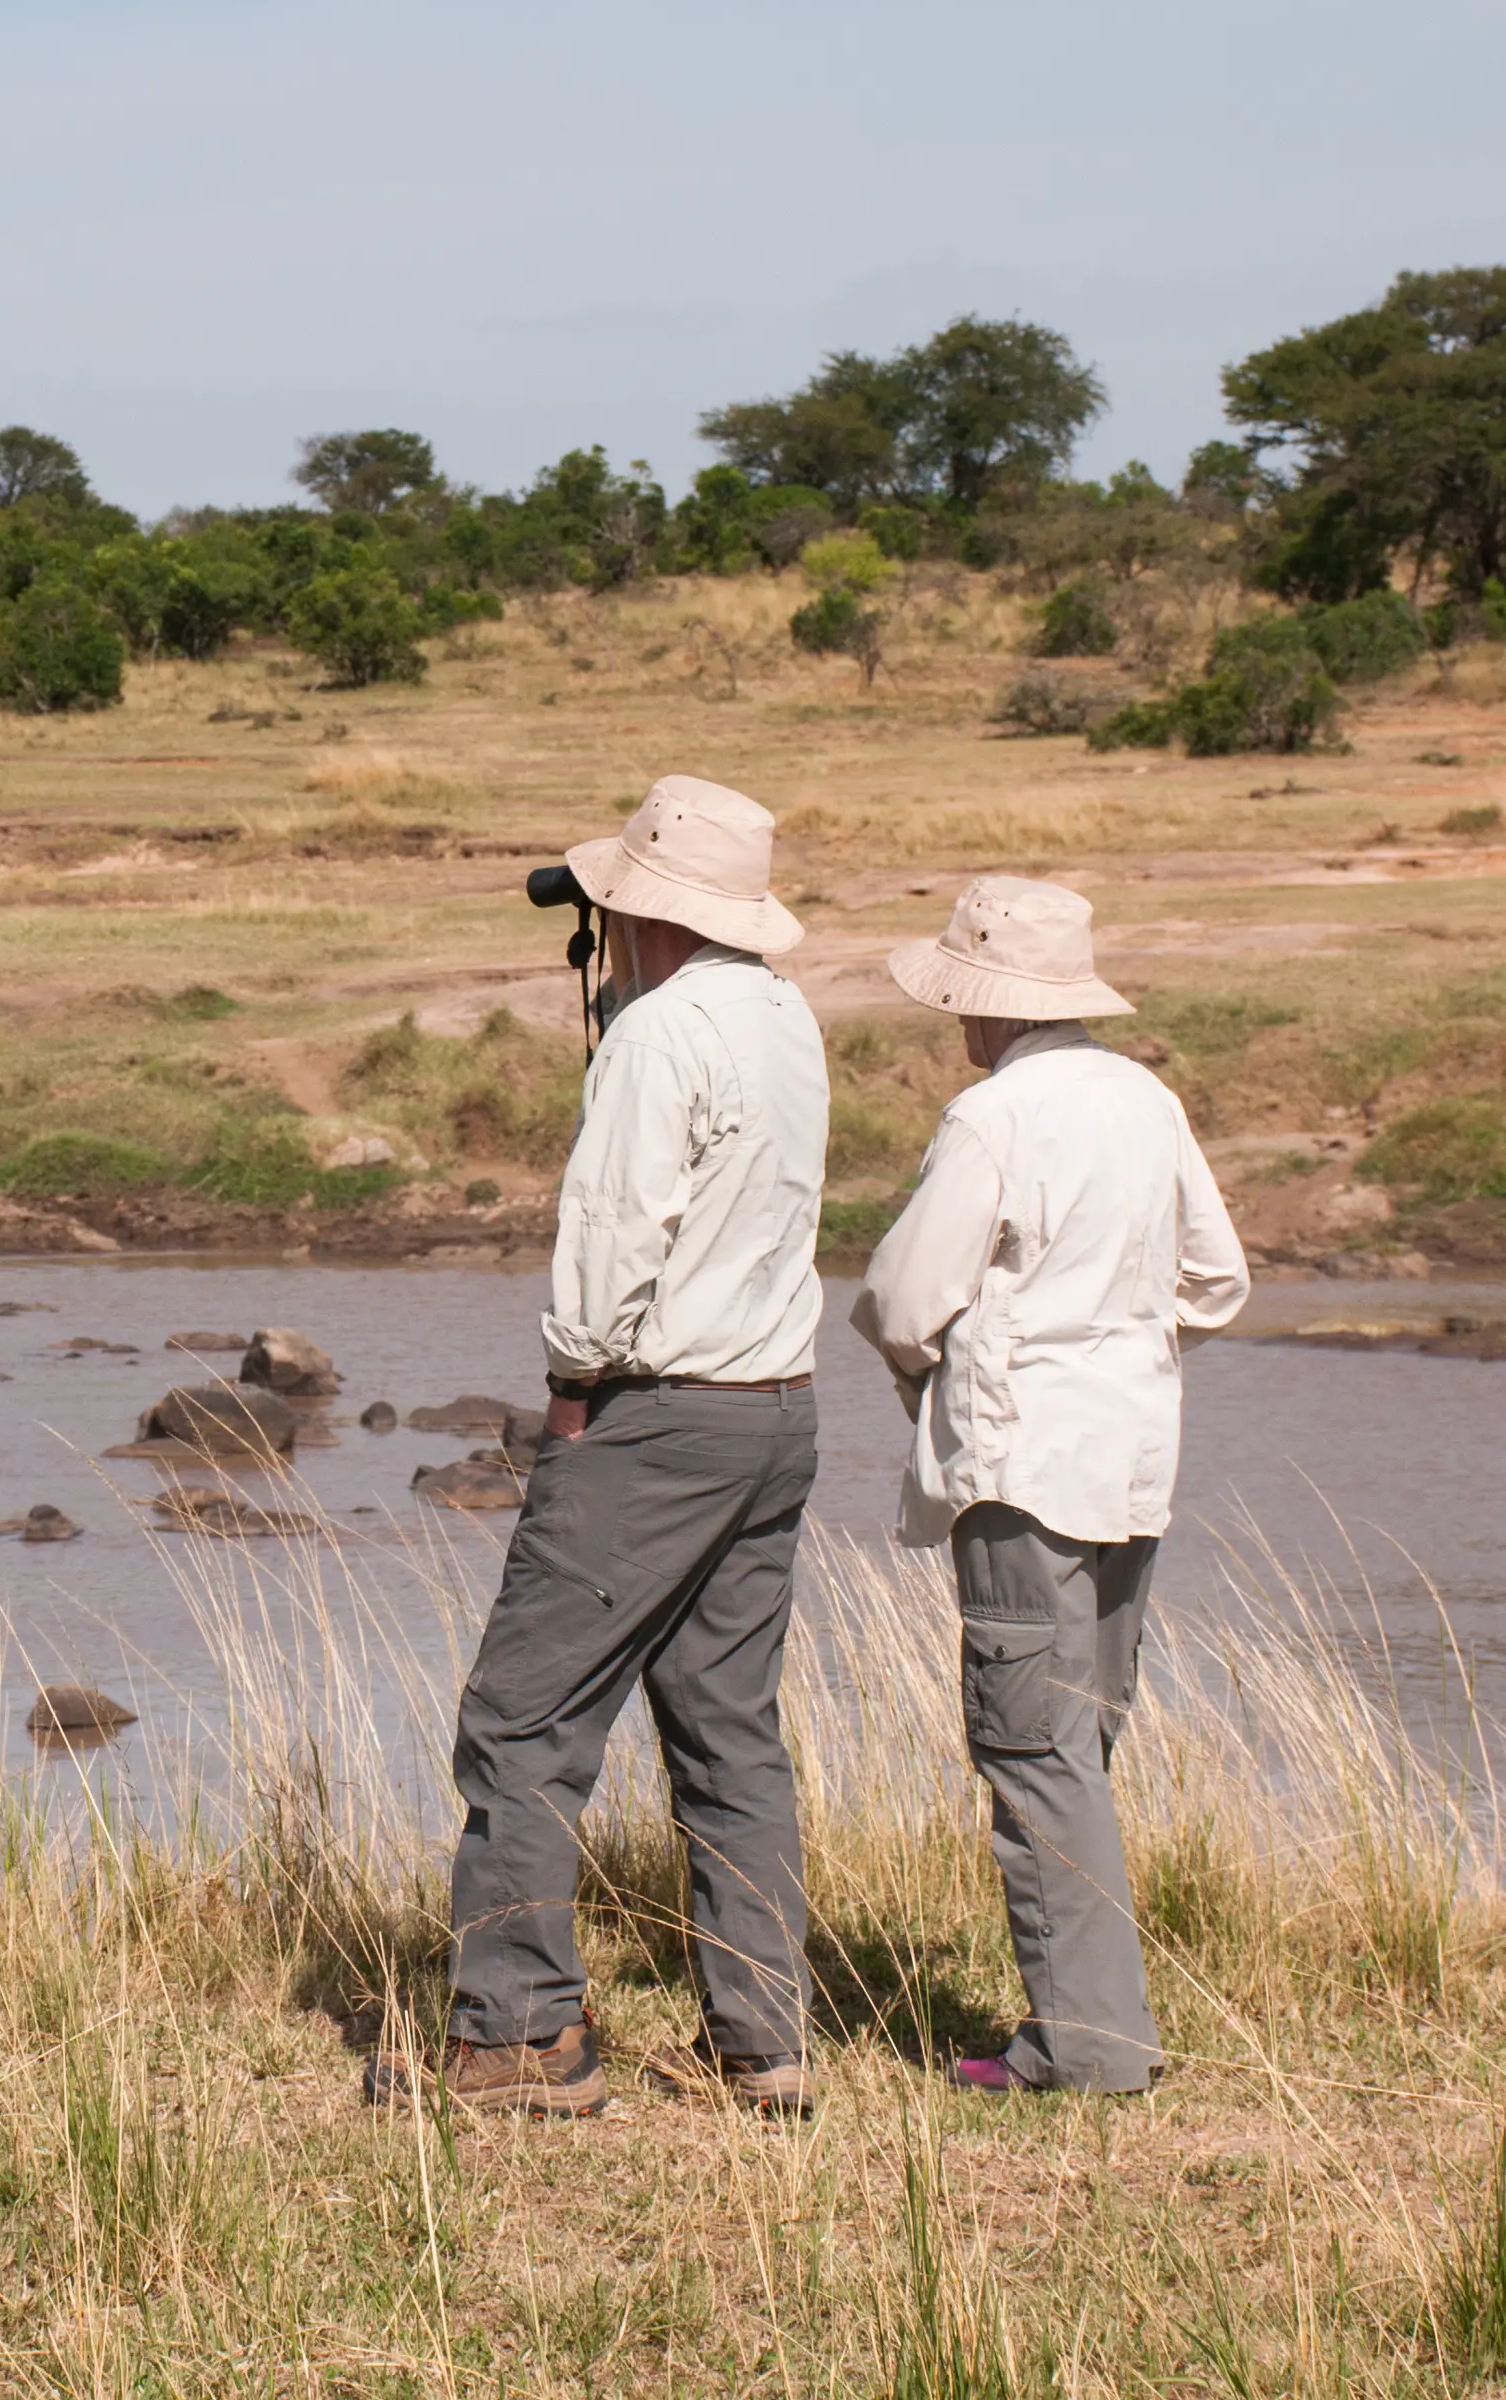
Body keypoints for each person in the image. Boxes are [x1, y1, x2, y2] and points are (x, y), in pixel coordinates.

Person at [432, 775, 829, 2119]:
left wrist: (568, 1400)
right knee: (728, 1728)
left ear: (639, 907)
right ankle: (761, 2039)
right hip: (774, 1407)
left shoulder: (657, 1039)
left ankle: (521, 2036)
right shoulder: (786, 1014)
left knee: (523, 1720)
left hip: (658, 1412)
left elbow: (610, 1250)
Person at [852, 876, 1249, 2096]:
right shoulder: (1148, 1098)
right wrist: (1119, 1342)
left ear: (984, 1001)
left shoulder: (994, 1116)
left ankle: (1088, 2043)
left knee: (1032, 1745)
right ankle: (1094, 2023)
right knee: (1084, 1736)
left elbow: (903, 1300)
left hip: (1025, 1463)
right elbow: (1217, 1282)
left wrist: (958, 1366)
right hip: (1132, 1456)